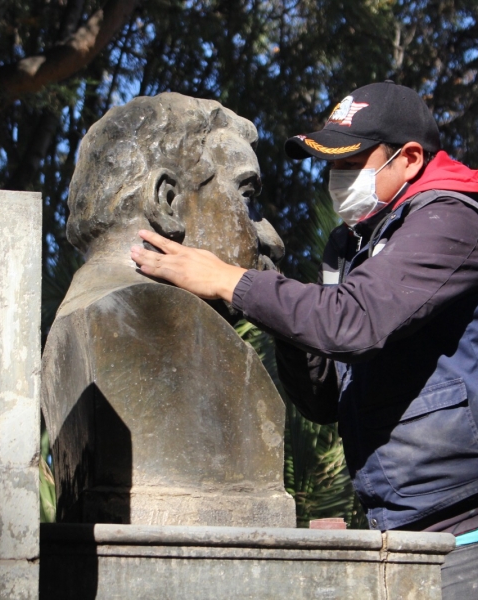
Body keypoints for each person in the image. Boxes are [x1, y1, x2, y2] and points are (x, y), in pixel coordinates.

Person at [131, 81, 478, 597]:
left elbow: (351, 320)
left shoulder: (453, 219)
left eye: (352, 161)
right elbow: (324, 396)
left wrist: (231, 281)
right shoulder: (350, 247)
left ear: (407, 158)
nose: (336, 178)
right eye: (331, 165)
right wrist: (282, 318)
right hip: (404, 529)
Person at [42, 92, 294, 527]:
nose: (270, 237)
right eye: (246, 194)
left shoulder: (72, 324)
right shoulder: (155, 326)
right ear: (168, 201)